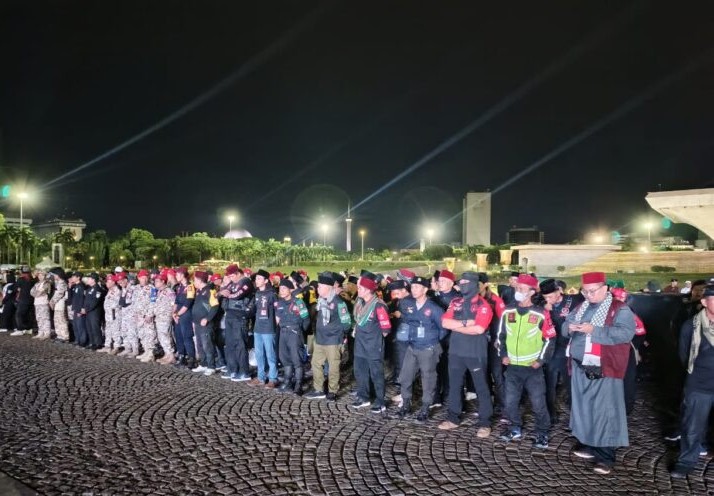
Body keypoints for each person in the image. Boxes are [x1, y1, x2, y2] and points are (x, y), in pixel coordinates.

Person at [564, 271, 636, 475]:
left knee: (605, 411)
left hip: (604, 367)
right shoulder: (581, 306)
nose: (589, 295)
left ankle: (606, 456)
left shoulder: (619, 309)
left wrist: (593, 330)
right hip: (579, 365)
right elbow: (564, 326)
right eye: (585, 291)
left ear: (605, 288)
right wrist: (569, 328)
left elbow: (625, 333)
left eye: (593, 291)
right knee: (584, 407)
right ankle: (589, 443)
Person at [497, 274, 556, 449]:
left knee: (538, 403)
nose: (517, 291)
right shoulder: (508, 311)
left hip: (532, 368)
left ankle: (542, 432)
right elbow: (501, 335)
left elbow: (550, 339)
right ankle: (514, 428)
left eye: (521, 289)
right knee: (510, 402)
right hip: (512, 367)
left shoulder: (541, 313)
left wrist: (540, 360)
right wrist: (503, 354)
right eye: (517, 288)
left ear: (531, 292)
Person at [439, 271, 495, 436]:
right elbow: (445, 322)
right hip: (456, 351)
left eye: (465, 283)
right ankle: (453, 418)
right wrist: (465, 323)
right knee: (455, 386)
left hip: (475, 352)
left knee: (481, 387)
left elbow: (479, 329)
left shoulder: (483, 305)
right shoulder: (455, 302)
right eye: (460, 283)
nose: (462, 285)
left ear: (474, 285)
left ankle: (485, 423)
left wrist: (456, 325)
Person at [670, 285, 714, 479]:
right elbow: (684, 355)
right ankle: (686, 461)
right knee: (692, 425)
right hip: (699, 383)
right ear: (704, 302)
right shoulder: (691, 326)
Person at [396, 276, 445, 421]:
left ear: (425, 290)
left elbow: (444, 328)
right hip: (412, 347)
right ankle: (406, 404)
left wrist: (431, 340)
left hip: (428, 349)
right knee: (405, 377)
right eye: (412, 287)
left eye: (417, 287)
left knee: (428, 379)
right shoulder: (410, 305)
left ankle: (425, 408)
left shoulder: (434, 308)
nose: (413, 290)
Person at [540, 278, 583, 425]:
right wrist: (544, 308)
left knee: (572, 384)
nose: (548, 299)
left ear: (559, 291)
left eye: (550, 296)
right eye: (545, 297)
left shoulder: (574, 301)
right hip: (551, 349)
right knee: (549, 383)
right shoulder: (542, 304)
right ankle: (550, 415)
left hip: (570, 349)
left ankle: (576, 418)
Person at [305, 272, 352, 400]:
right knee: (316, 363)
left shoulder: (339, 302)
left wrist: (339, 335)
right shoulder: (321, 301)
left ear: (328, 288)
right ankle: (318, 389)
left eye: (320, 286)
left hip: (333, 340)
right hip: (320, 339)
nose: (317, 288)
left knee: (333, 366)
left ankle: (332, 390)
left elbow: (347, 323)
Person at [351, 273, 392, 413]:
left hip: (373, 346)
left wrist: (375, 339)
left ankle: (380, 401)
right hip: (360, 344)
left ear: (369, 290)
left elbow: (386, 329)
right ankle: (363, 397)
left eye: (361, 288)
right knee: (360, 371)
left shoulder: (379, 306)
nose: (358, 290)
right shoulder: (359, 302)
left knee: (376, 374)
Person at [275, 278, 311, 395]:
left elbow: (306, 319)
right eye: (280, 289)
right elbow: (277, 320)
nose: (281, 291)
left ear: (290, 290)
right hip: (283, 333)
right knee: (284, 358)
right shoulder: (280, 303)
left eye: (284, 289)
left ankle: (298, 385)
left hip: (295, 332)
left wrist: (300, 332)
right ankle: (287, 382)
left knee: (297, 359)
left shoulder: (299, 302)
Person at [219, 264, 253, 381]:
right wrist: (223, 293)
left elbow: (239, 295)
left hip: (240, 317)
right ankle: (232, 369)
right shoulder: (232, 283)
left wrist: (228, 295)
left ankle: (244, 372)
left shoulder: (246, 282)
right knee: (229, 344)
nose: (231, 279)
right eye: (229, 276)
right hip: (229, 315)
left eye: (232, 276)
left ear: (238, 273)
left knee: (240, 345)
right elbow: (222, 292)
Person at [248, 269, 279, 388]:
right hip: (258, 328)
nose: (256, 281)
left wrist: (275, 326)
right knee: (259, 354)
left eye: (259, 279)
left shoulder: (272, 294)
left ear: (266, 281)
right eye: (256, 279)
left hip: (269, 329)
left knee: (270, 355)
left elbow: (277, 311)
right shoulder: (257, 293)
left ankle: (273, 378)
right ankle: (261, 377)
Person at [191, 271, 219, 376]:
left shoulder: (210, 291)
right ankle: (203, 364)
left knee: (207, 345)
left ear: (199, 280)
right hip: (197, 323)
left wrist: (207, 318)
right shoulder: (199, 291)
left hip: (205, 324)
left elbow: (215, 306)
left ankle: (211, 366)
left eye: (194, 280)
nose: (193, 282)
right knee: (200, 345)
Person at [173, 267, 197, 369]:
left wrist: (178, 314)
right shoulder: (180, 287)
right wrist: (174, 313)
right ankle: (182, 356)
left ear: (183, 275)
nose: (176, 276)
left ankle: (191, 359)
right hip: (178, 314)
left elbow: (188, 303)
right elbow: (176, 301)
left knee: (187, 337)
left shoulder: (190, 287)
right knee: (178, 336)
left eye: (177, 274)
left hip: (186, 315)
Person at [153, 273, 177, 365]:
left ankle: (171, 356)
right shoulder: (159, 292)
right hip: (159, 318)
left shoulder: (169, 291)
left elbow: (174, 304)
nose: (155, 283)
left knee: (166, 336)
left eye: (157, 281)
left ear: (163, 281)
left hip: (165, 318)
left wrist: (172, 315)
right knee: (161, 337)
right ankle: (167, 354)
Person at [100, 274, 122, 353]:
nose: (107, 283)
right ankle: (107, 346)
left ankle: (116, 347)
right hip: (108, 314)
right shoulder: (110, 291)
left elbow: (117, 304)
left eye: (109, 282)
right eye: (106, 282)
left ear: (113, 282)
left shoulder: (117, 291)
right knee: (108, 330)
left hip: (114, 314)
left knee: (115, 330)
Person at [84, 273, 105, 350]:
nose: (87, 280)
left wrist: (86, 309)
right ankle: (92, 342)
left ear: (93, 280)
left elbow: (95, 302)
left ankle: (98, 343)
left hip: (94, 312)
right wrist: (84, 308)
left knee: (95, 327)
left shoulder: (97, 289)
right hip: (89, 311)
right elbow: (86, 300)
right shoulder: (89, 289)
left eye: (89, 278)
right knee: (89, 327)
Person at [30, 269, 52, 340]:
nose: (40, 276)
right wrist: (37, 292)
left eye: (42, 275)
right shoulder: (36, 284)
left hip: (44, 302)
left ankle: (47, 333)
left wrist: (36, 292)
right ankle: (40, 332)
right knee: (38, 318)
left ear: (45, 276)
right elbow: (31, 292)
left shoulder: (47, 283)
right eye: (39, 275)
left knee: (45, 318)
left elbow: (41, 292)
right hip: (37, 303)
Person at [49, 268, 70, 342]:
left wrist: (52, 302)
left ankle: (64, 336)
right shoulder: (58, 282)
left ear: (58, 275)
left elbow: (59, 294)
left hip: (60, 303)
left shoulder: (62, 283)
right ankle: (59, 335)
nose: (54, 276)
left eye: (54, 275)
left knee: (61, 320)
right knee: (57, 320)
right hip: (57, 304)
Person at [69, 272, 88, 347]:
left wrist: (82, 309)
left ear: (78, 277)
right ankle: (77, 340)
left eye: (74, 277)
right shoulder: (75, 286)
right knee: (75, 325)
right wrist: (69, 287)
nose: (72, 278)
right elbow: (71, 297)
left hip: (79, 309)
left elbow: (83, 298)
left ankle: (82, 342)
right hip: (75, 308)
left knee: (81, 326)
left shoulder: (81, 286)